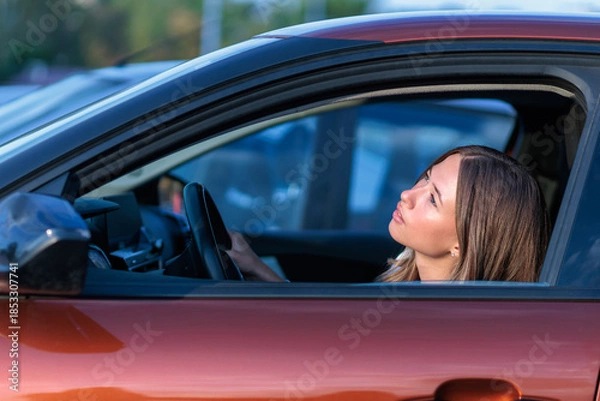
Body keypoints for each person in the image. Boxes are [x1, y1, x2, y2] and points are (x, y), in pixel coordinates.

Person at [227, 145, 550, 283]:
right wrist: (255, 267)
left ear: (464, 243)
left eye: (433, 200)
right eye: (425, 178)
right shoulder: (418, 295)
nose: (407, 195)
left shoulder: (437, 321)